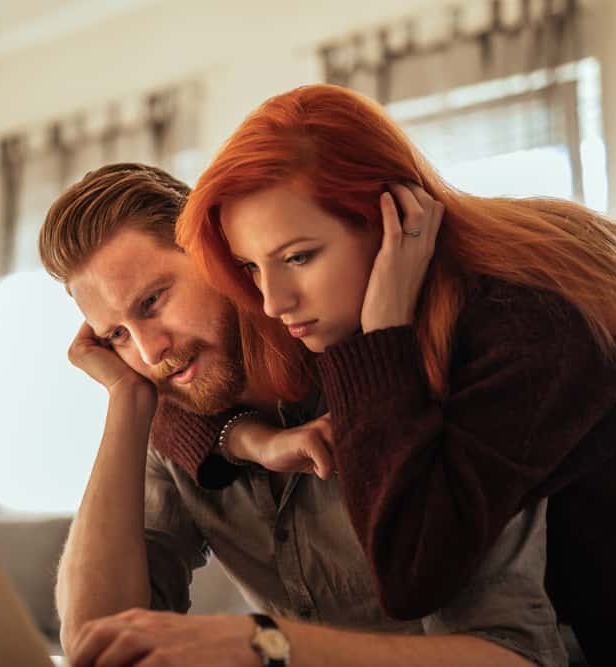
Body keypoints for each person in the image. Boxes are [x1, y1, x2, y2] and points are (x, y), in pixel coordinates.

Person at [171, 83, 616, 667]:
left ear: (393, 218)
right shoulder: (354, 312)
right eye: (250, 266)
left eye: (298, 257)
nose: (273, 301)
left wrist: (382, 333)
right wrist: (252, 440)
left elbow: (413, 574)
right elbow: (175, 399)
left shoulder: (528, 317)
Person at [39, 163, 567, 667]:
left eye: (153, 301)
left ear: (213, 254)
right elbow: (97, 641)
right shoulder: (177, 427)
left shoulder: (402, 374)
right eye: (117, 336)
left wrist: (264, 647)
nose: (151, 352)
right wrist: (126, 401)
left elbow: (519, 654)